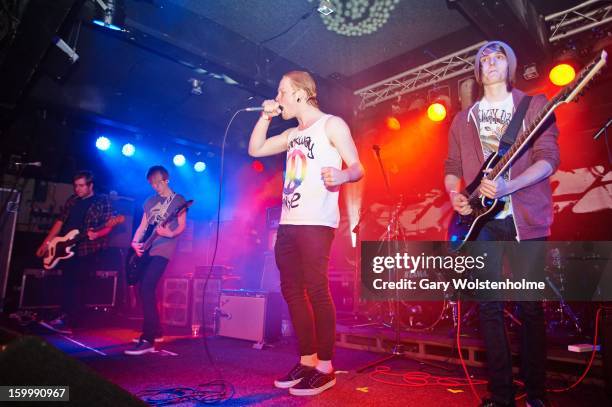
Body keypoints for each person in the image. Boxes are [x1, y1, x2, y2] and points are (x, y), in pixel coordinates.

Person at [444, 41, 560, 407]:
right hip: (482, 223)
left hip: (525, 217)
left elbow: (548, 159)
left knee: (529, 306)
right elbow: (451, 167)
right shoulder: (464, 119)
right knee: (489, 306)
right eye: (483, 59)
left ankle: (536, 395)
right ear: (477, 71)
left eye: (497, 58)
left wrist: (511, 185)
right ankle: (501, 395)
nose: (490, 62)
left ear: (510, 66)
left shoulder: (534, 105)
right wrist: (455, 194)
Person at [248, 71, 364, 396]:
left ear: (300, 93)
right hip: (288, 223)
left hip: (317, 223)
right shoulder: (291, 134)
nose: (279, 97)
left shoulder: (331, 124)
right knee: (292, 292)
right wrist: (265, 116)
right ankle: (307, 359)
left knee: (316, 289)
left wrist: (341, 175)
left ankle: (326, 365)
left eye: (282, 91)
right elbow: (256, 149)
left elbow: (358, 167)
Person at [36, 171, 113, 334]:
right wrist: (47, 242)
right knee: (66, 283)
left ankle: (70, 322)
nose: (77, 189)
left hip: (88, 249)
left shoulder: (102, 200)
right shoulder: (72, 200)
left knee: (76, 285)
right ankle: (65, 319)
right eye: (75, 185)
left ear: (90, 185)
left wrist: (97, 234)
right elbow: (60, 222)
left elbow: (109, 225)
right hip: (66, 248)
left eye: (81, 185)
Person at [124, 165, 187, 355]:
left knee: (147, 288)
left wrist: (170, 232)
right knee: (144, 288)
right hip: (148, 248)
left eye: (158, 183)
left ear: (166, 180)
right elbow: (143, 226)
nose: (155, 187)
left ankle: (148, 339)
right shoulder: (150, 201)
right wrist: (135, 242)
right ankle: (156, 330)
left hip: (164, 250)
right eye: (152, 184)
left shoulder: (178, 200)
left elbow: (182, 226)